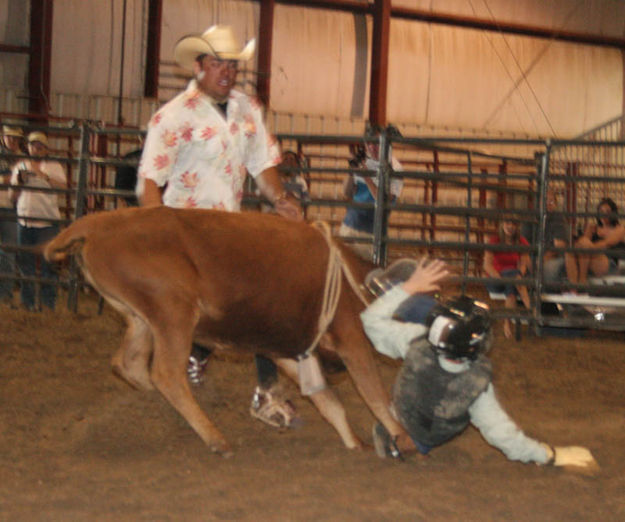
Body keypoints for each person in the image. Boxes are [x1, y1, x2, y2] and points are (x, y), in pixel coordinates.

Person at [136, 25, 302, 429]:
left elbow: (262, 161)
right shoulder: (172, 117)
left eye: (231, 65)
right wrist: (158, 231)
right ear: (198, 67)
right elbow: (149, 182)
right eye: (217, 64)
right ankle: (199, 357)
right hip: (187, 234)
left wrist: (279, 197)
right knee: (215, 308)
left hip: (230, 229)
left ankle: (259, 387)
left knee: (259, 301)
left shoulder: (248, 108)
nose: (226, 72)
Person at [361, 257, 598, 472]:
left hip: (403, 407)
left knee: (418, 328)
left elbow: (371, 321)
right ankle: (411, 443)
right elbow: (504, 437)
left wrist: (408, 288)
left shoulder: (416, 341)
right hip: (431, 431)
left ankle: (398, 431)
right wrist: (549, 454)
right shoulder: (475, 385)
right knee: (451, 417)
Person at [9, 131, 67, 310]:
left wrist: (43, 176)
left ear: (46, 149)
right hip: (24, 220)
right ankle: (28, 303)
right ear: (28, 147)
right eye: (34, 145)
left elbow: (64, 188)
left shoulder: (53, 166)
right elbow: (12, 196)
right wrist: (19, 181)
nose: (37, 149)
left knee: (48, 265)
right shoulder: (20, 166)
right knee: (26, 265)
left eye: (40, 146)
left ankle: (48, 304)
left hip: (47, 222)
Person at [339, 123, 404, 261]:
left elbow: (384, 201)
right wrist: (352, 172)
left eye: (376, 143)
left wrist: (366, 177)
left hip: (370, 232)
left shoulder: (395, 168)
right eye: (369, 143)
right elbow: (347, 193)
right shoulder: (363, 162)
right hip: (349, 226)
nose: (372, 147)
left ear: (384, 143)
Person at [482, 217, 531, 339]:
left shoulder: (521, 241)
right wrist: (499, 277)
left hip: (514, 280)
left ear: (517, 226)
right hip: (496, 278)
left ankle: (507, 324)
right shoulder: (494, 240)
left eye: (513, 223)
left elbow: (525, 263)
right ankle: (531, 310)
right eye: (507, 223)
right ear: (502, 224)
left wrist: (519, 274)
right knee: (512, 276)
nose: (510, 226)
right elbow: (487, 265)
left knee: (512, 288)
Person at [572, 197, 625, 285]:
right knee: (570, 253)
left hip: (610, 262)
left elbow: (606, 243)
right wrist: (587, 236)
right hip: (589, 258)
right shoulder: (593, 228)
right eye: (601, 211)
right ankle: (573, 288)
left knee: (584, 245)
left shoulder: (620, 229)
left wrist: (588, 246)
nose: (604, 214)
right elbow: (580, 244)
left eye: (608, 211)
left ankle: (581, 282)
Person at [0, 125, 25, 305]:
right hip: (8, 206)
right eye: (9, 137)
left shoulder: (24, 159)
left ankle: (5, 293)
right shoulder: (22, 161)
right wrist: (6, 179)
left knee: (8, 252)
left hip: (12, 208)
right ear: (3, 137)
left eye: (15, 138)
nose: (12, 141)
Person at [542, 190, 577, 287]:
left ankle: (573, 288)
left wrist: (541, 260)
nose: (548, 204)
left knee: (548, 268)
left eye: (551, 202)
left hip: (552, 258)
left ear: (556, 205)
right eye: (545, 201)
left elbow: (559, 245)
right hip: (535, 258)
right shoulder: (530, 219)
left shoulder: (557, 218)